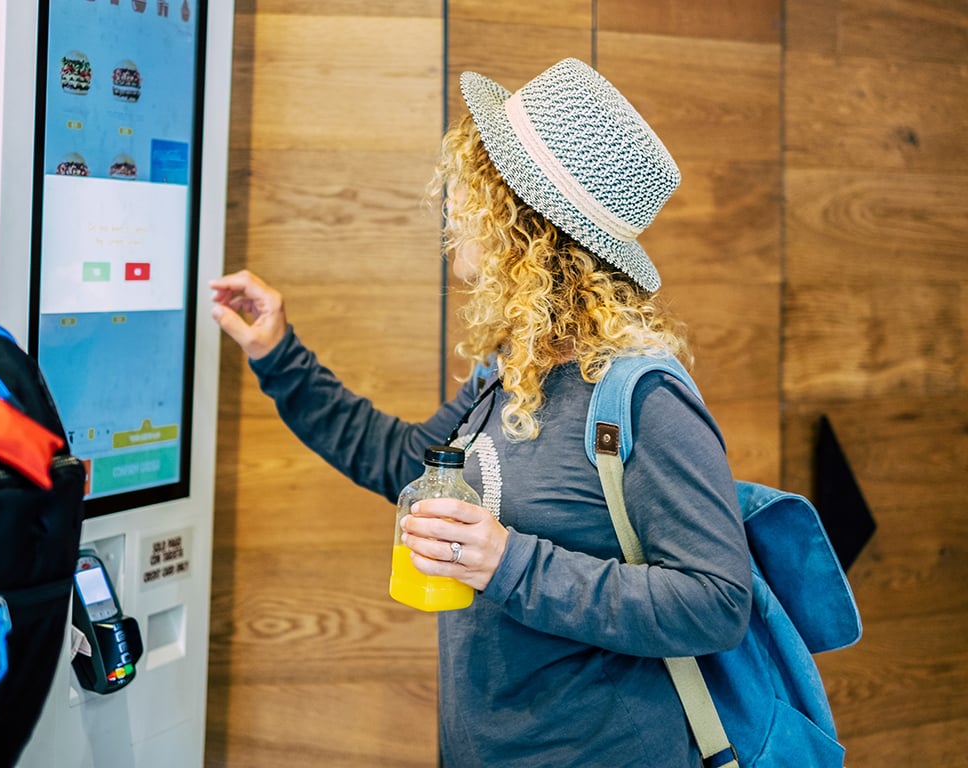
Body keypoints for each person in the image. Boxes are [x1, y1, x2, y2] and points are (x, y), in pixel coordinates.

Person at [210, 57, 751, 768]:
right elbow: (406, 464)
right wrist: (279, 354)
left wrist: (509, 562)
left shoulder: (642, 396)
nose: (455, 204)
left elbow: (715, 603)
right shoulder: (514, 368)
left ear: (527, 223)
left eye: (476, 186)